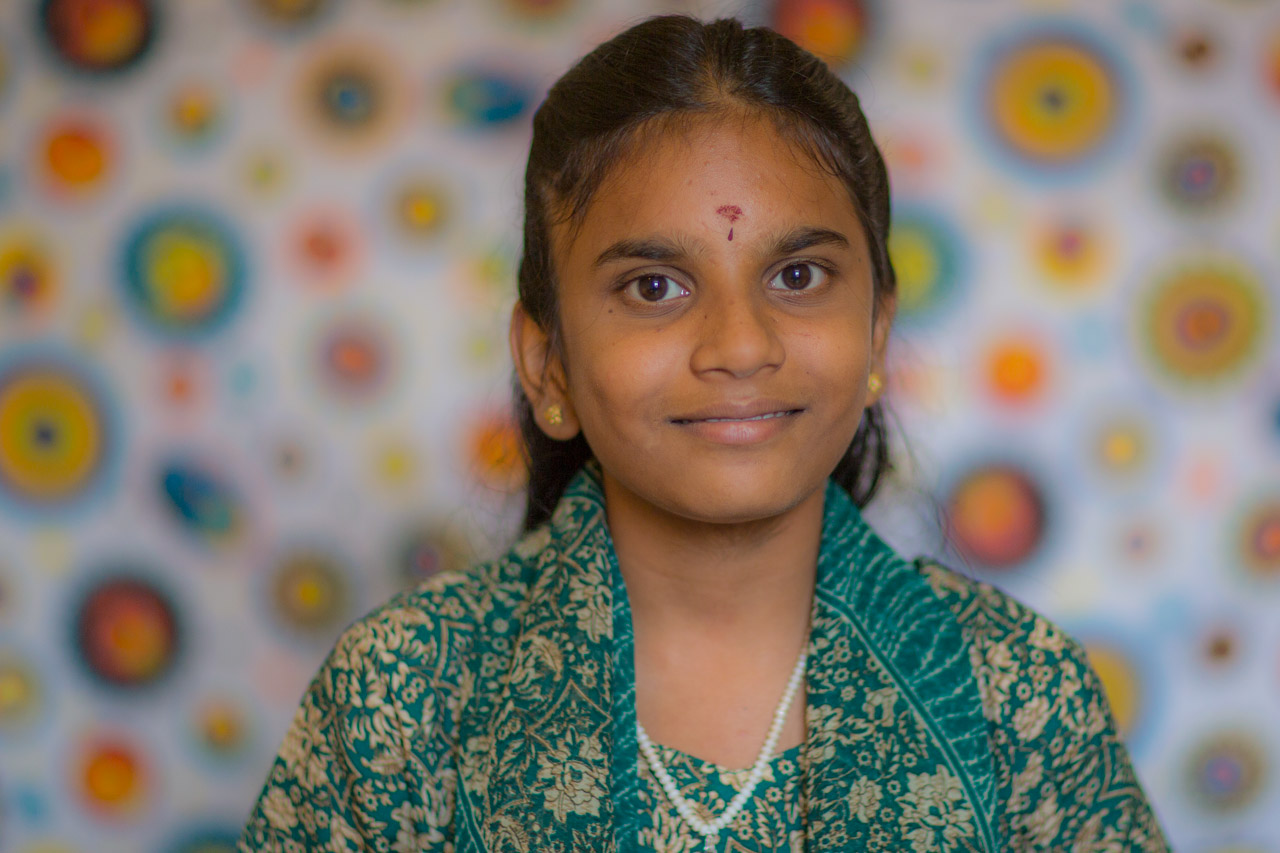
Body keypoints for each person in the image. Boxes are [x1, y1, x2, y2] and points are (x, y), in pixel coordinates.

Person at [237, 14, 1170, 852]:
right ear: (548, 363)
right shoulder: (401, 696)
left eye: (798, 276)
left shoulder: (1013, 690)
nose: (740, 345)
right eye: (654, 287)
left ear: (877, 334)